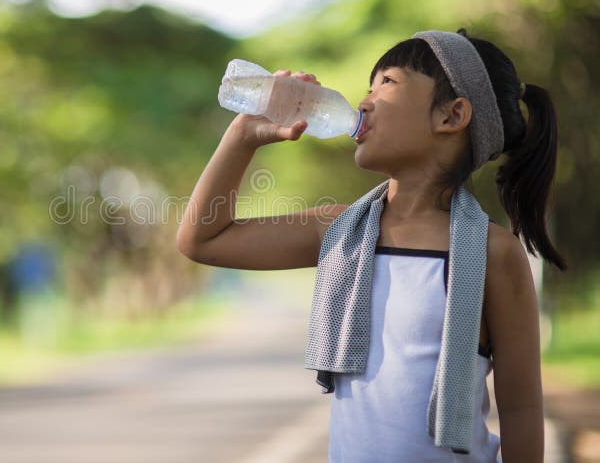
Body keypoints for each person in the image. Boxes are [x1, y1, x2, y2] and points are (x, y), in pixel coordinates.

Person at [176, 28, 567, 462]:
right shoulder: (338, 229)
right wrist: (242, 137)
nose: (364, 101)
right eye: (369, 85)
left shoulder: (492, 253)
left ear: (452, 116)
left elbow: (521, 407)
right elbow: (202, 239)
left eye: (388, 83)